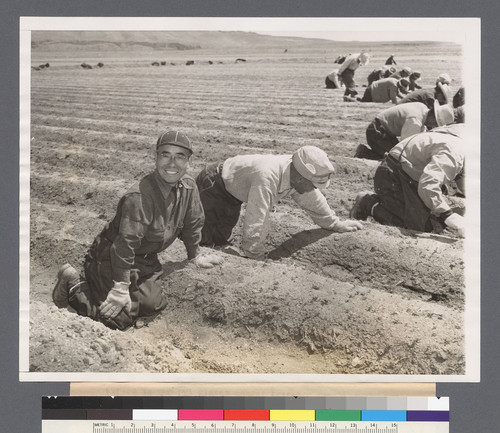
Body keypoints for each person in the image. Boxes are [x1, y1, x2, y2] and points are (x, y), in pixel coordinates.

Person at [52, 131, 223, 330]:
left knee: (153, 305)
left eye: (180, 156)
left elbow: (193, 222)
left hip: (145, 258)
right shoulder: (140, 197)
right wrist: (120, 287)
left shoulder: (189, 187)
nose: (172, 163)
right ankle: (74, 285)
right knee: (118, 320)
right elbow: (124, 246)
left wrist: (195, 256)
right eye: (165, 155)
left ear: (188, 161)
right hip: (109, 257)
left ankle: (115, 291)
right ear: (156, 157)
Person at [195, 146, 363, 260]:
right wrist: (255, 256)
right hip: (214, 184)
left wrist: (334, 224)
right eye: (312, 184)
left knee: (221, 237)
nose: (313, 189)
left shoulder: (297, 176)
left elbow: (313, 201)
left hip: (234, 192)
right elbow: (257, 218)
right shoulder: (267, 178)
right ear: (299, 178)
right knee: (201, 238)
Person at [349, 123, 466, 236]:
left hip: (406, 171)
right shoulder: (455, 154)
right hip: (393, 175)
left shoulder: (460, 141)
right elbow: (428, 184)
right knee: (417, 229)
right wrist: (448, 215)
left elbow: (463, 179)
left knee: (432, 214)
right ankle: (368, 203)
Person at [354, 101, 455, 160]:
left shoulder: (422, 108)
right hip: (376, 132)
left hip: (383, 131)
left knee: (393, 153)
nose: (433, 127)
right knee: (393, 159)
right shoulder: (415, 121)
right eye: (435, 124)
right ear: (433, 118)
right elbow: (406, 147)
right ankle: (364, 153)